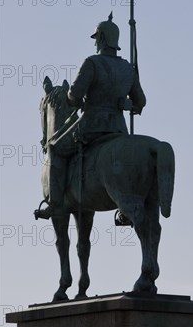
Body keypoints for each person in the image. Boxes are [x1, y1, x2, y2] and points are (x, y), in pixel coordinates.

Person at [34, 13, 146, 220]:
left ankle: (54, 204)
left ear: (102, 39)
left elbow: (74, 96)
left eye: (96, 39)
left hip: (90, 127)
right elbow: (141, 102)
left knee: (54, 148)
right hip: (119, 129)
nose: (95, 43)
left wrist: (73, 99)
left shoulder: (92, 63)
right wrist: (126, 104)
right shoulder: (127, 69)